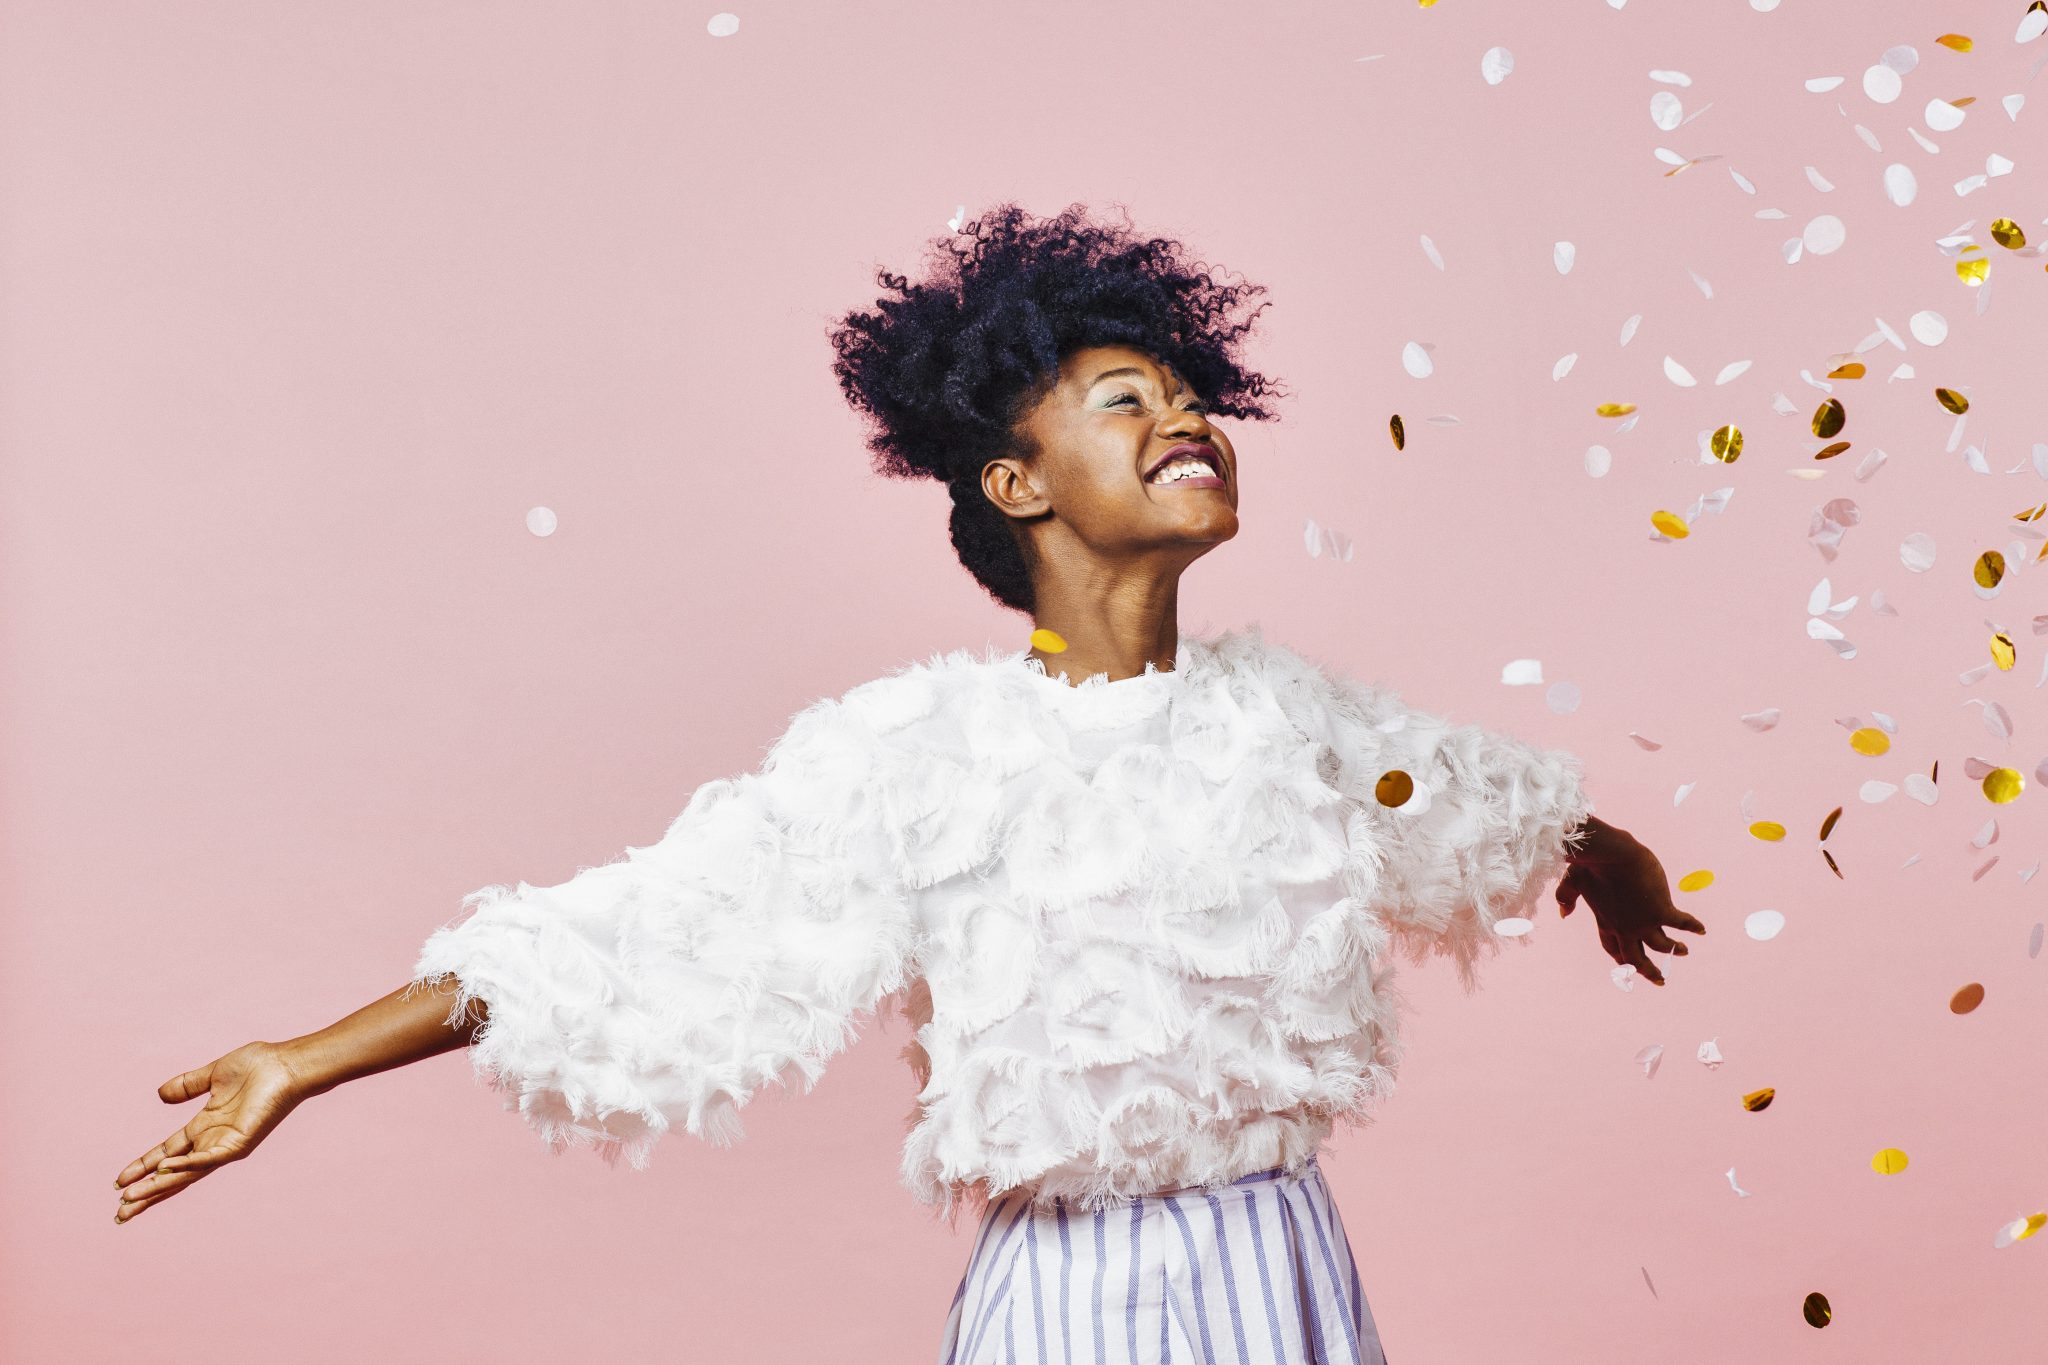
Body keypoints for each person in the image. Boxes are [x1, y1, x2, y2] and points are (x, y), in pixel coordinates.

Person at [114, 202, 1705, 1363]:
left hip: (1285, 1269)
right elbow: (649, 928)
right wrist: (307, 1059)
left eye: (1190, 394)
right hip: (1074, 1301)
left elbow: (1478, 800)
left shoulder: (1297, 720)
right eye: (1125, 400)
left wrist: (1602, 850)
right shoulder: (922, 755)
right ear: (1018, 485)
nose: (1186, 416)